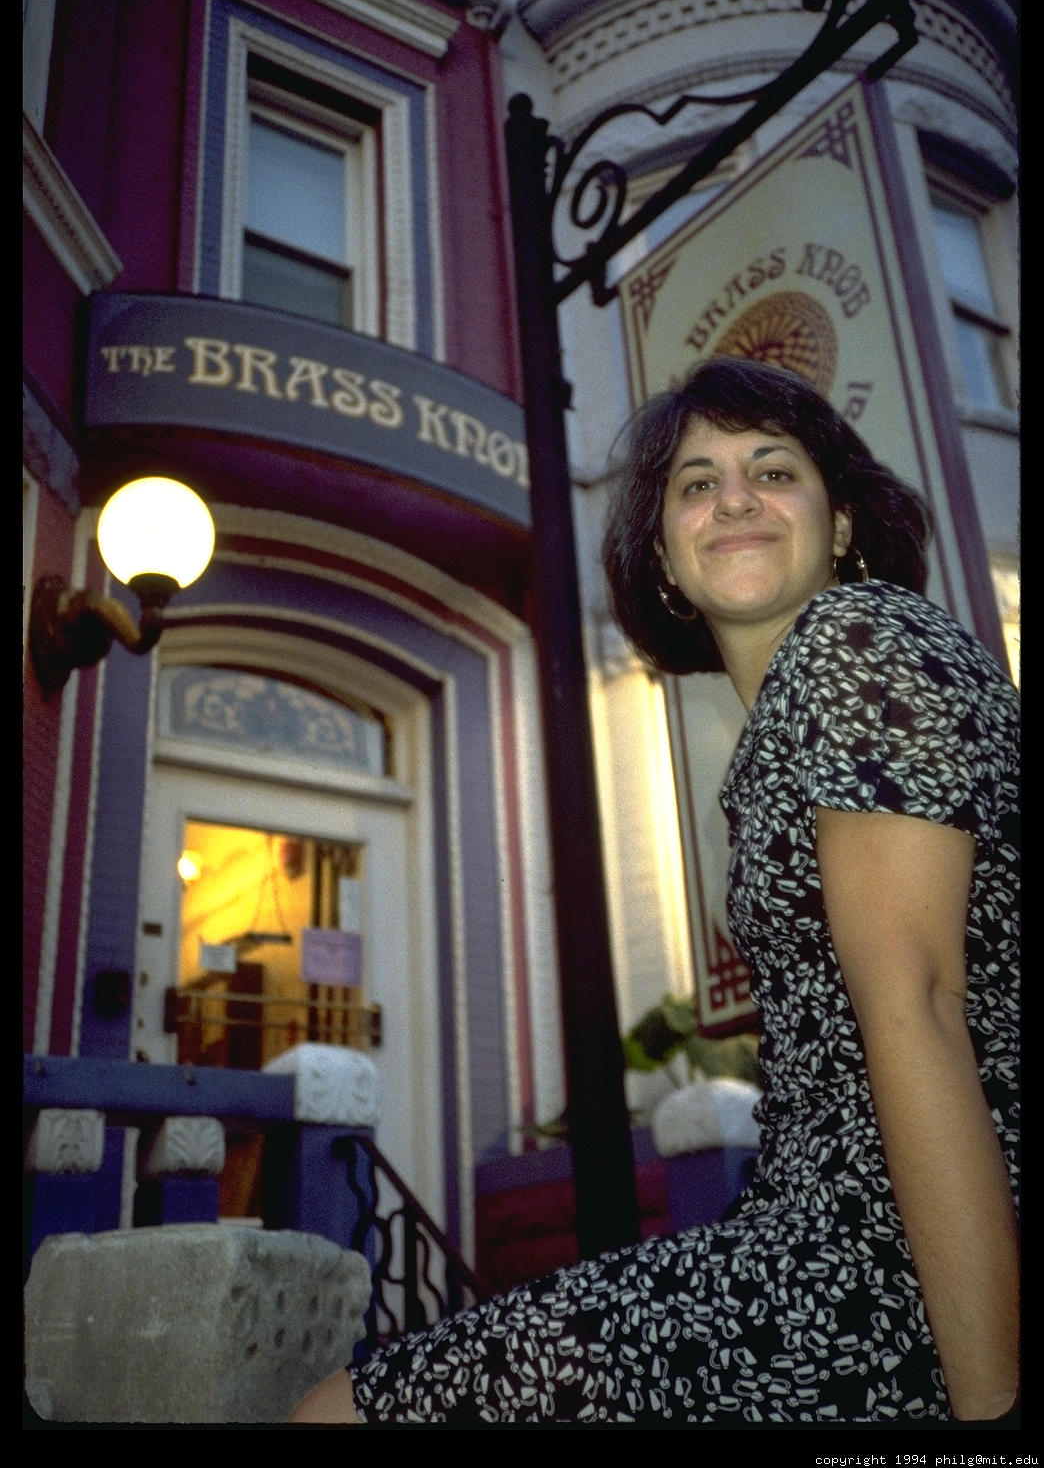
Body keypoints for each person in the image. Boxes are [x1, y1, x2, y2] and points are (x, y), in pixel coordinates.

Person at [290, 356, 1019, 1426]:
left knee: (338, 1413)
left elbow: (920, 1006)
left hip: (887, 1262)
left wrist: (991, 1407)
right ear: (668, 563)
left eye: (774, 471)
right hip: (820, 1239)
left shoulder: (858, 641)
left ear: (842, 526)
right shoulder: (789, 722)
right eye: (697, 483)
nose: (735, 499)